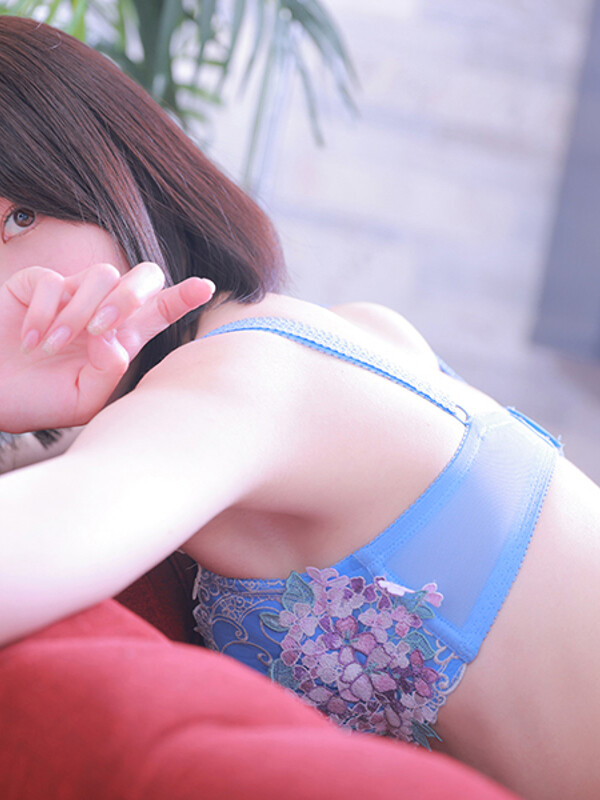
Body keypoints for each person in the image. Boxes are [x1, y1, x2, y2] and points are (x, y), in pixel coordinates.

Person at [0, 14, 598, 800]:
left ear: (116, 172)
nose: (17, 286)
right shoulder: (323, 337)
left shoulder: (239, 382)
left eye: (19, 218)